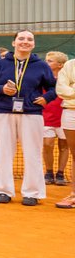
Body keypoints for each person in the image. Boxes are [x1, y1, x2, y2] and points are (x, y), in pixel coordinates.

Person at [0, 30, 56, 206]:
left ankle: (32, 193)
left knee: (33, 153)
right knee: (3, 152)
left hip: (31, 113)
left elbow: (53, 88)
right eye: (21, 39)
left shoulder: (41, 65)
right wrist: (1, 90)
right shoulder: (0, 64)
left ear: (33, 44)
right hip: (3, 112)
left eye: (29, 39)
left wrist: (46, 98)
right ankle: (3, 190)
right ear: (14, 43)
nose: (25, 42)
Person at [42, 51, 68, 186]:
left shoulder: (67, 79)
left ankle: (60, 174)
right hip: (46, 117)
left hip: (64, 117)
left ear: (60, 65)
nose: (46, 63)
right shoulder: (43, 77)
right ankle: (49, 172)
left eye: (50, 61)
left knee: (64, 146)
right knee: (47, 145)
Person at [55, 55, 75, 208]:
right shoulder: (70, 65)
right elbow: (61, 89)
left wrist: (72, 89)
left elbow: (68, 90)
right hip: (70, 113)